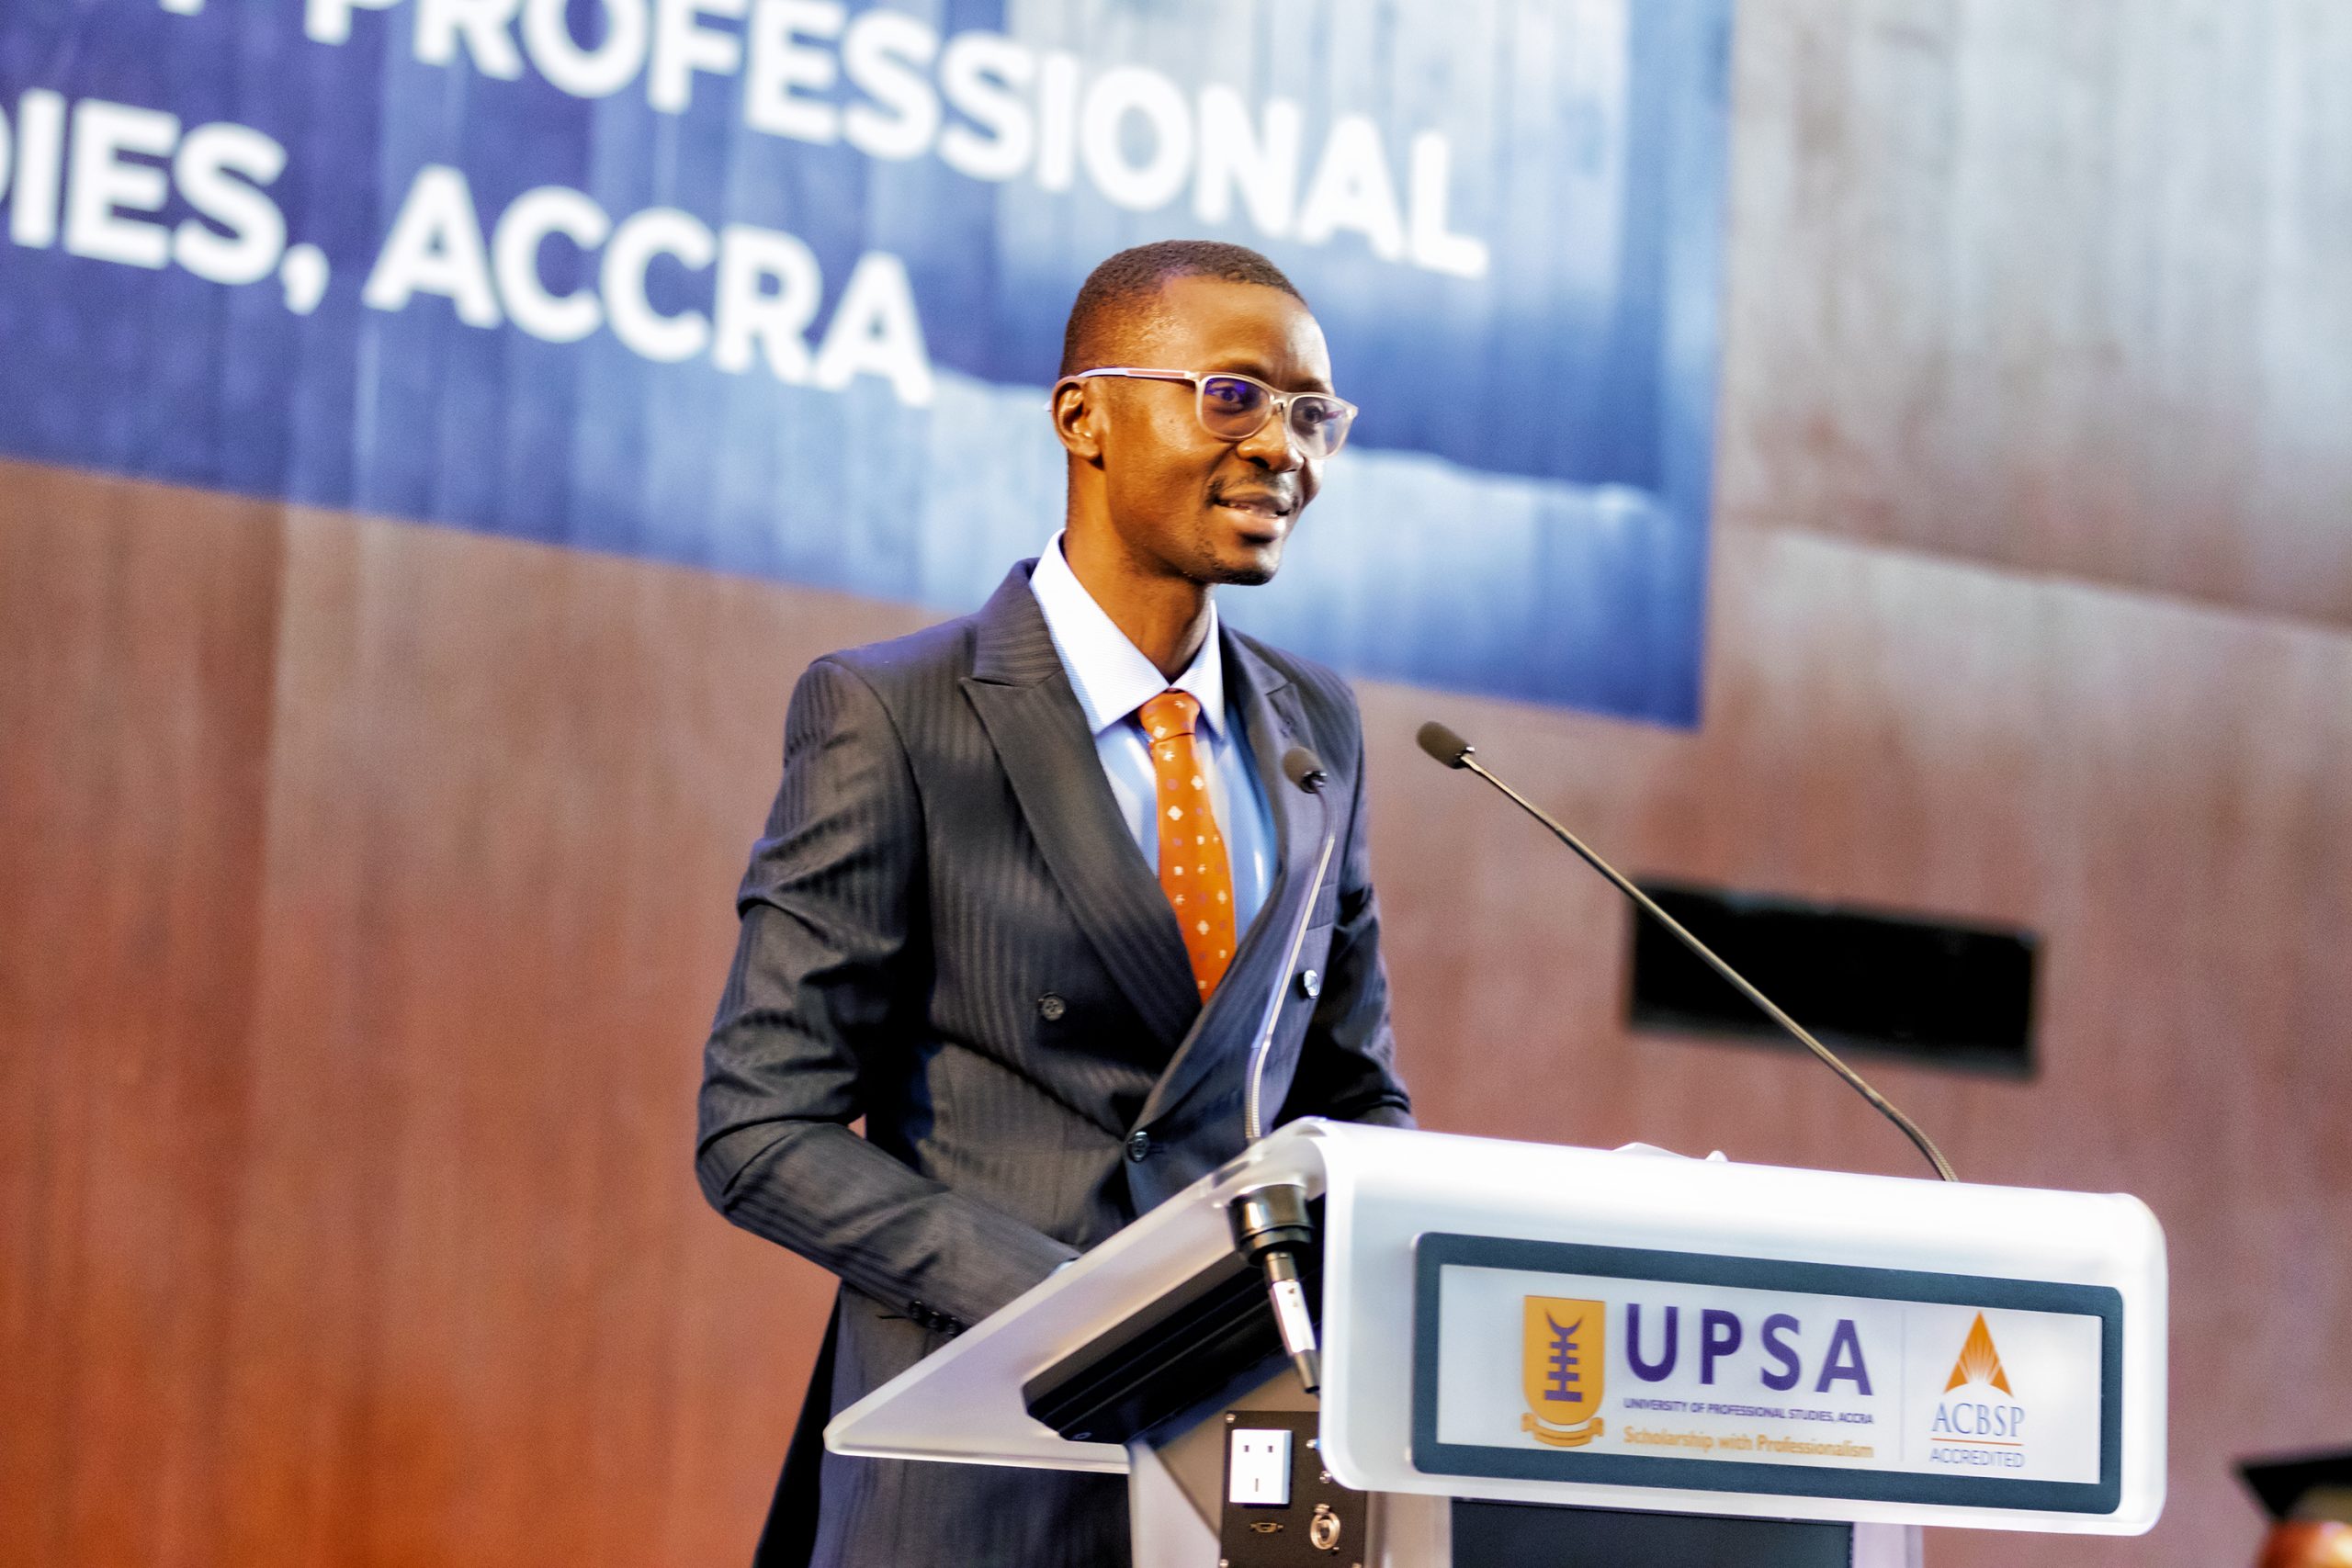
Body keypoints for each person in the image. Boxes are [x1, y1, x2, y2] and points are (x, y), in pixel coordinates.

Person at [695, 239, 1413, 1568]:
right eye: (1235, 397)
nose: (1284, 449)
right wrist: (1076, 1311)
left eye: (1314, 414)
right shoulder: (893, 713)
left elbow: (1352, 1102)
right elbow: (758, 1128)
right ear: (1084, 417)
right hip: (981, 1467)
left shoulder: (1320, 725)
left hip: (1243, 1474)